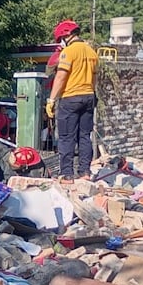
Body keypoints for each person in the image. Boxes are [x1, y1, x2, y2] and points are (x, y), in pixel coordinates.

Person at [45, 20, 98, 182]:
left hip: (70, 98)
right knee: (84, 136)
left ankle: (67, 174)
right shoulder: (92, 52)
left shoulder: (68, 52)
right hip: (89, 96)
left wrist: (51, 100)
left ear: (66, 35)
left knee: (67, 137)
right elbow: (95, 78)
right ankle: (85, 172)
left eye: (61, 38)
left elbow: (61, 77)